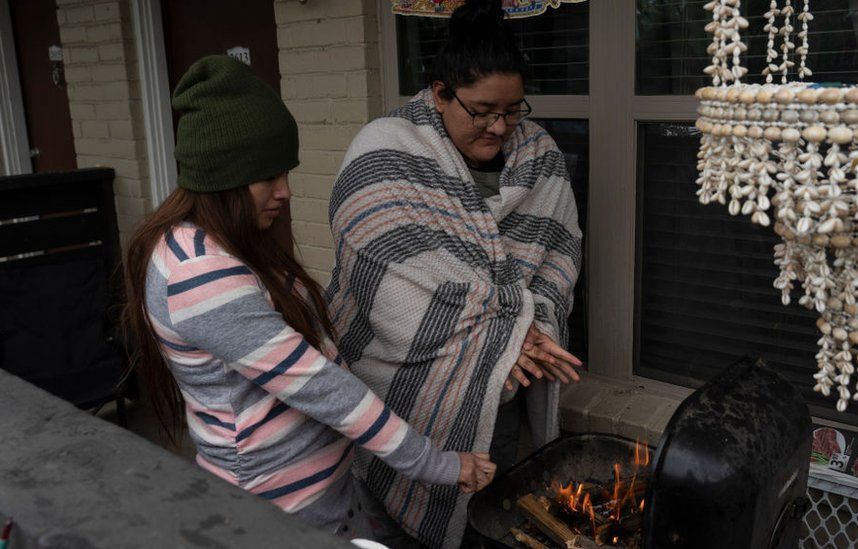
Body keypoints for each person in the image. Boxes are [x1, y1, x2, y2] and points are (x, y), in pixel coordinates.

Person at [121, 55, 495, 540]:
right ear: (224, 177)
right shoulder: (202, 273)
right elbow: (320, 386)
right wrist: (439, 464)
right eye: (269, 177)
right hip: (278, 512)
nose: (286, 191)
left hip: (318, 496)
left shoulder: (213, 242)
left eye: (286, 173)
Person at [326, 1, 583, 547]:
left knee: (490, 518)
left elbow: (557, 257)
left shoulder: (539, 154)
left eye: (513, 111)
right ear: (440, 93)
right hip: (400, 390)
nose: (499, 127)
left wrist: (524, 332)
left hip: (501, 391)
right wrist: (510, 332)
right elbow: (386, 266)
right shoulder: (386, 147)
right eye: (483, 110)